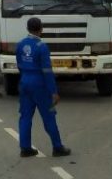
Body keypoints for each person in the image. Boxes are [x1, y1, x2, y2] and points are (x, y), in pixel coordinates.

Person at [16, 17, 71, 158]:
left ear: (27, 28)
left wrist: (24, 78)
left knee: (25, 116)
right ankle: (57, 147)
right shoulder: (42, 46)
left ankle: (25, 148)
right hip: (39, 84)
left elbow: (19, 64)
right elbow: (47, 71)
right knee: (49, 116)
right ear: (41, 29)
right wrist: (54, 92)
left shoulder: (20, 44)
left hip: (24, 81)